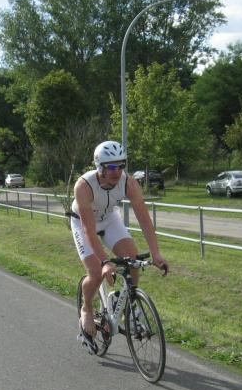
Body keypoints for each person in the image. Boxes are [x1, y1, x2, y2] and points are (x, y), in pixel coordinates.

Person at [71, 140, 169, 345]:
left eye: (121, 165)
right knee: (96, 272)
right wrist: (105, 261)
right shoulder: (84, 186)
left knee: (133, 261)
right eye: (111, 167)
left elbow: (144, 219)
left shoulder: (128, 182)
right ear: (100, 167)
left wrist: (156, 253)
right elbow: (89, 230)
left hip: (109, 219)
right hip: (83, 223)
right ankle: (87, 308)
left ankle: (127, 304)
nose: (117, 171)